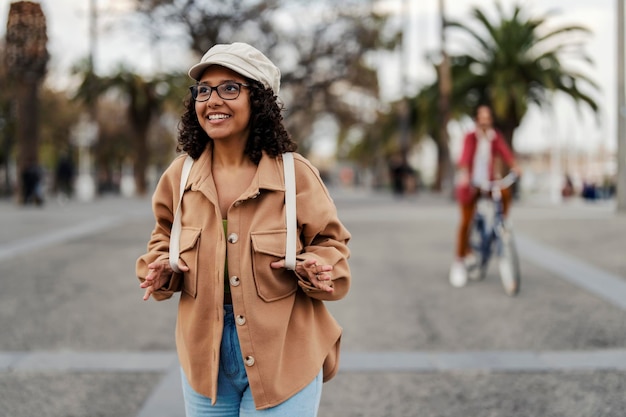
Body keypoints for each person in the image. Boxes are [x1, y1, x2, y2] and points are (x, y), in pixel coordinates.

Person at [135, 42, 351, 416]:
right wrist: (162, 269)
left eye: (229, 88)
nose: (212, 99)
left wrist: (317, 265)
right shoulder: (179, 176)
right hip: (206, 365)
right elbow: (162, 239)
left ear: (260, 100)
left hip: (285, 355)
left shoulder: (294, 174)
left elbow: (330, 242)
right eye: (204, 90)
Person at [449, 104, 520, 288]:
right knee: (466, 222)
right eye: (481, 119)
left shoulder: (494, 137)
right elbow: (464, 158)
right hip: (471, 185)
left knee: (504, 192)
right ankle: (459, 261)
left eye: (488, 119)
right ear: (476, 121)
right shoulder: (470, 137)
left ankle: (501, 224)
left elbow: (505, 153)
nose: (484, 123)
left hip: (488, 183)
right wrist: (464, 174)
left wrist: (515, 166)